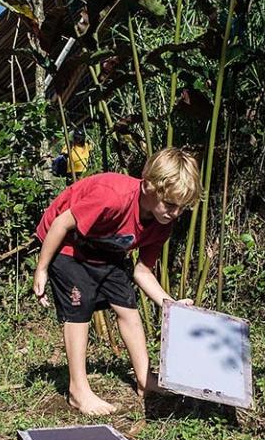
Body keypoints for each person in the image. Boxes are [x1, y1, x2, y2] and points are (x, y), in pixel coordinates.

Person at [32, 148, 201, 415]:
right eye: (170, 204)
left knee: (127, 306)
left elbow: (142, 272)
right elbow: (62, 223)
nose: (175, 213)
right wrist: (41, 269)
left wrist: (171, 305)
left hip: (104, 247)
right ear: (148, 186)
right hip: (65, 241)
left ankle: (145, 380)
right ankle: (78, 390)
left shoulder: (162, 223)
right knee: (80, 305)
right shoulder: (113, 197)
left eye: (182, 207)